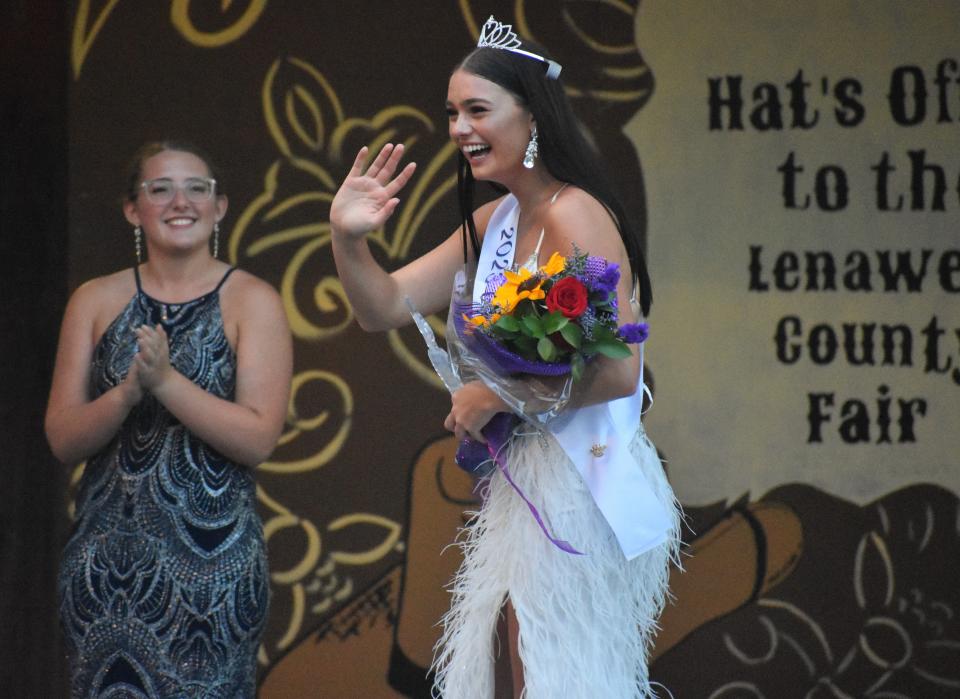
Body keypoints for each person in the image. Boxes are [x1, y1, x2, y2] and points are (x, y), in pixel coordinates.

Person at [330, 17, 680, 698]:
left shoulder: (575, 214)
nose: (460, 127)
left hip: (586, 481)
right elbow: (383, 307)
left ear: (532, 116)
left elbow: (619, 371)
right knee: (531, 671)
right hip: (532, 476)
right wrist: (347, 240)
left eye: (477, 110)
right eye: (452, 113)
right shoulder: (497, 222)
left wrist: (495, 395)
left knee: (561, 675)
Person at [46, 141, 293, 697]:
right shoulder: (94, 300)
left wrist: (166, 384)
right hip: (105, 570)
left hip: (215, 568)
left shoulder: (253, 300)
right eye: (160, 189)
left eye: (196, 188)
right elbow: (63, 437)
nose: (180, 201)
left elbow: (257, 438)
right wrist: (127, 393)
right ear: (134, 209)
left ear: (220, 206)